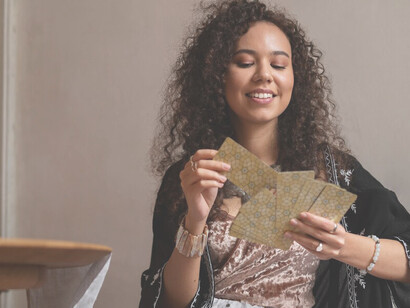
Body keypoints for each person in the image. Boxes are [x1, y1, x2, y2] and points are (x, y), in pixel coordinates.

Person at [139, 0, 410, 307]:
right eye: (244, 62)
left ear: (296, 77)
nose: (264, 75)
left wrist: (342, 245)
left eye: (279, 65)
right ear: (217, 75)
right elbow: (170, 301)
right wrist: (195, 221)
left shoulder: (334, 172)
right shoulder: (191, 176)